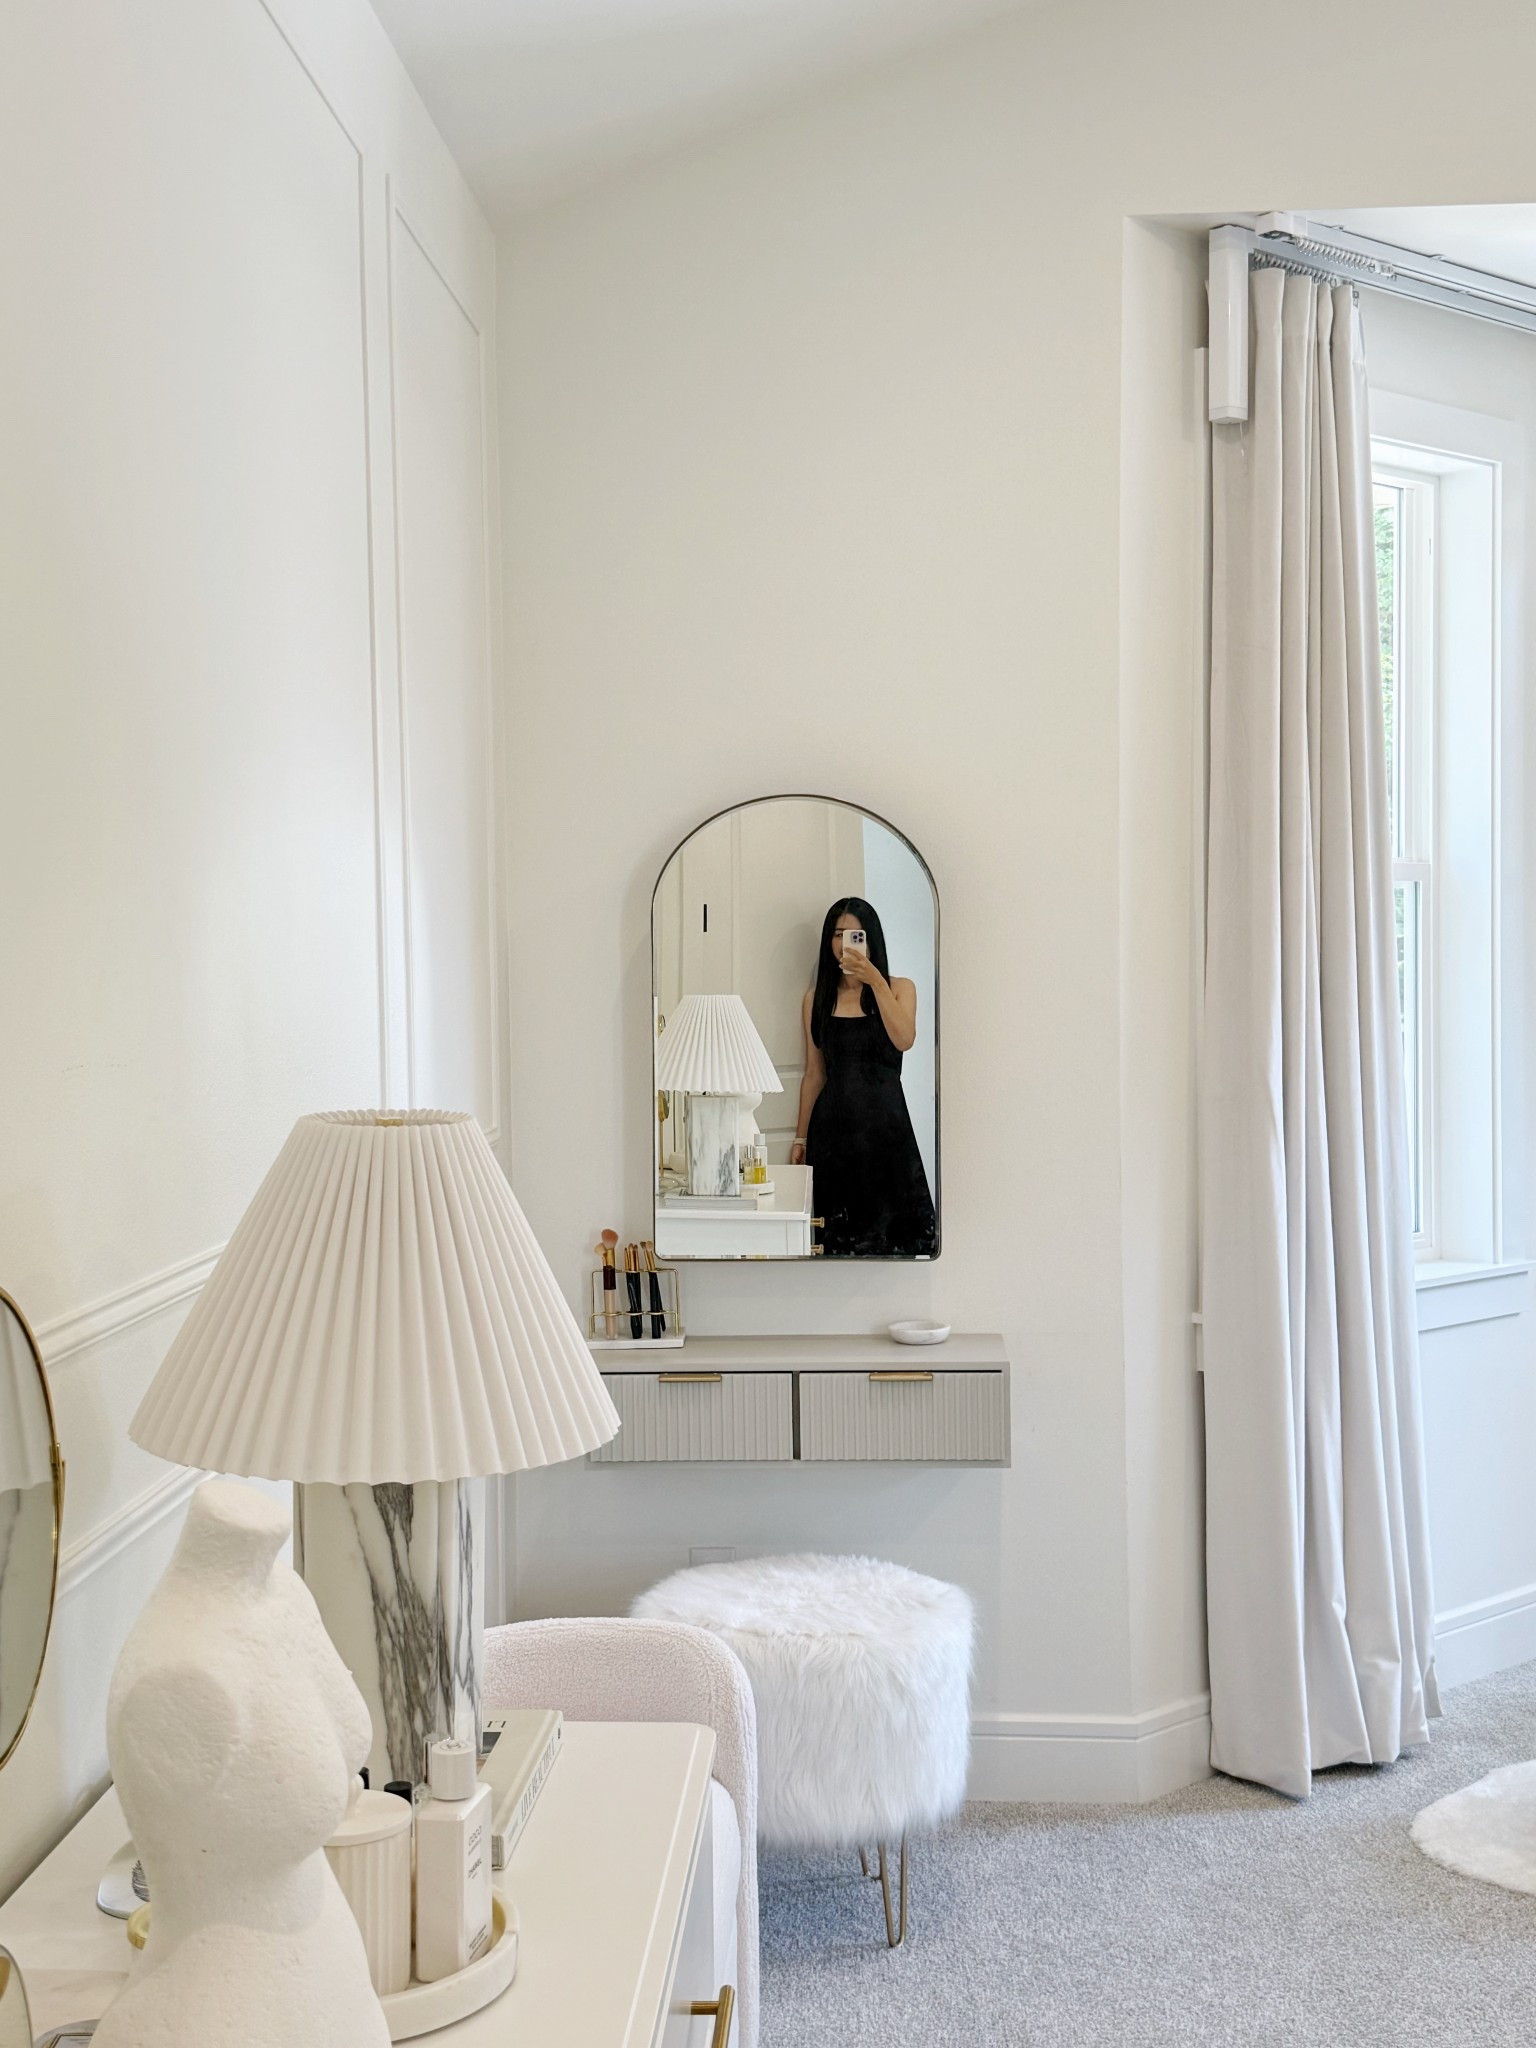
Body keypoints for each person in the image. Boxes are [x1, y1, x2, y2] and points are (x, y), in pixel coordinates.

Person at [790, 898, 937, 1258]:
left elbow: (905, 1039)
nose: (844, 943)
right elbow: (814, 1074)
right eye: (837, 934)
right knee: (837, 1245)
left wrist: (874, 980)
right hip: (834, 1133)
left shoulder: (900, 988)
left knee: (896, 1241)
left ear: (871, 940)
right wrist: (801, 1137)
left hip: (887, 1130)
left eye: (854, 934)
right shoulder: (816, 999)